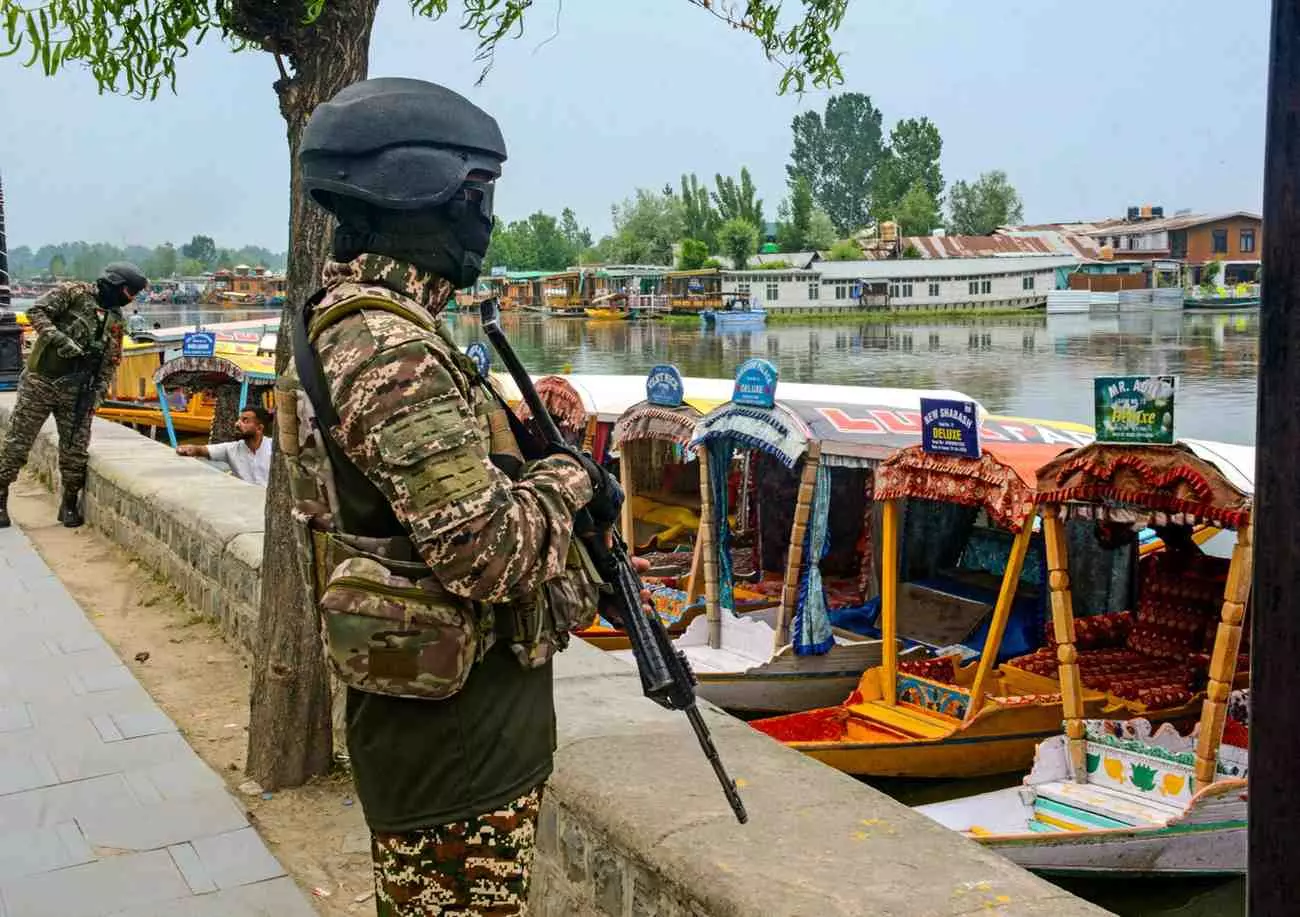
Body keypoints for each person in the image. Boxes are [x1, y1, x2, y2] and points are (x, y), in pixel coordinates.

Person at [283, 77, 649, 916]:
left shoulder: (357, 322)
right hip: (455, 753)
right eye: (473, 195)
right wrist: (570, 479)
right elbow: (484, 552)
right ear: (414, 194)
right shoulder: (389, 349)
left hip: (445, 732)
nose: (483, 218)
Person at [0, 262, 147, 529]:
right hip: (41, 382)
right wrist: (59, 339)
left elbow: (111, 361)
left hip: (78, 391)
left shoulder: (114, 319)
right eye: (129, 292)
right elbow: (37, 311)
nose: (130, 299)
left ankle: (69, 502)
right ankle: (0, 498)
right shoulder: (73, 293)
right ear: (115, 285)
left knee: (75, 450)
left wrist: (97, 396)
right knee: (18, 443)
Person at [175, 405, 273, 486]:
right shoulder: (230, 449)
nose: (237, 424)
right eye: (239, 420)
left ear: (259, 428)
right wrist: (190, 449)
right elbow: (201, 450)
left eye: (245, 421)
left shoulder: (275, 448)